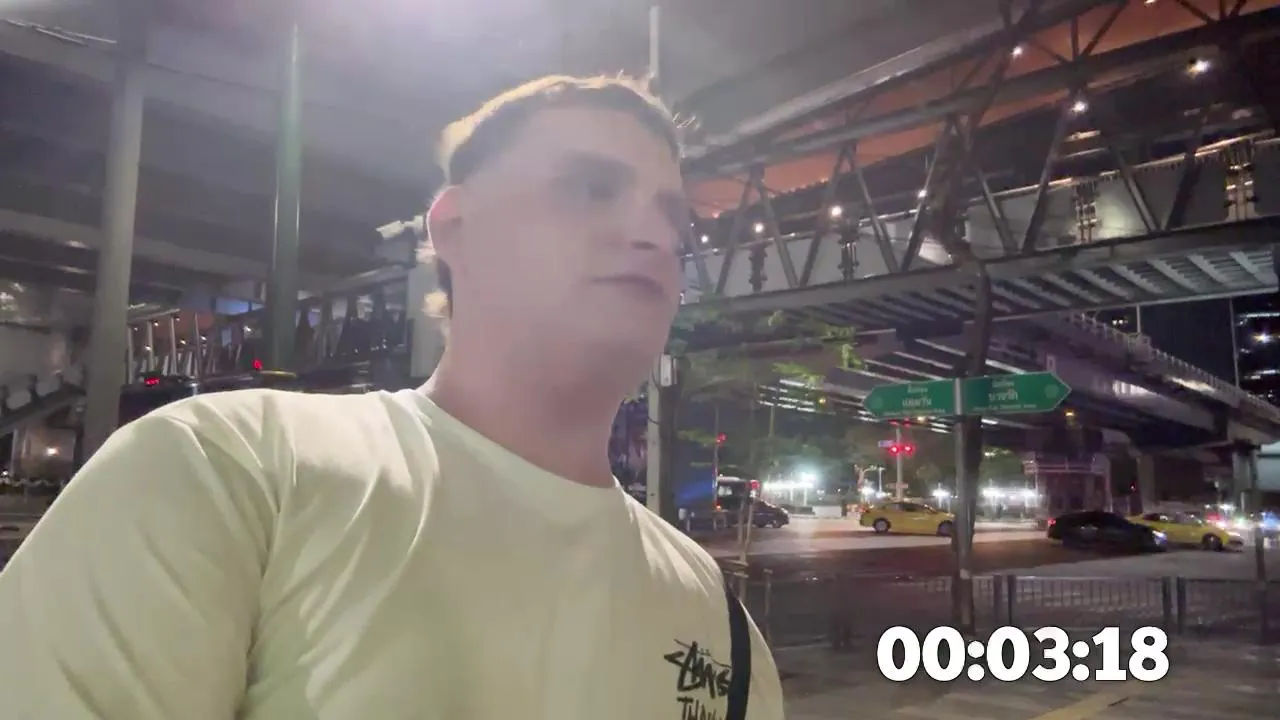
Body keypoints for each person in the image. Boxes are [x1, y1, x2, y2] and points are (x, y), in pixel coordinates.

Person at [0, 75, 784, 719]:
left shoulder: (720, 623)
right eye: (590, 188)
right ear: (456, 228)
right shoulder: (228, 471)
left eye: (672, 217)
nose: (652, 235)